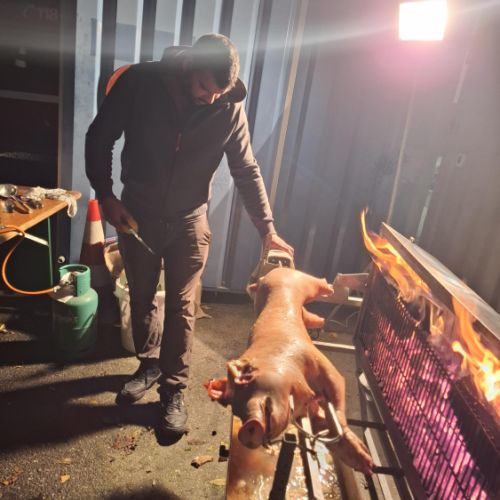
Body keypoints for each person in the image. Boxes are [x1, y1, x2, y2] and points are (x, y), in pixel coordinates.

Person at [85, 33, 293, 437]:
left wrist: (267, 229)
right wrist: (106, 195)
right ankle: (148, 364)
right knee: (142, 294)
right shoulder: (140, 83)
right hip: (138, 213)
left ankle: (173, 390)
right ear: (187, 67)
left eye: (219, 93)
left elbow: (246, 168)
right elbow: (100, 136)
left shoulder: (227, 105)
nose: (210, 99)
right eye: (203, 87)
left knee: (181, 305)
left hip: (190, 219)